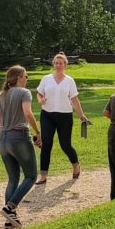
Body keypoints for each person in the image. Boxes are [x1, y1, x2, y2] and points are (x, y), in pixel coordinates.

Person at [0, 66, 42, 229]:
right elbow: (28, 113)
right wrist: (38, 132)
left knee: (13, 179)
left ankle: (10, 220)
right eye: (26, 76)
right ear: (19, 77)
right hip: (19, 136)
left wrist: (1, 138)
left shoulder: (2, 95)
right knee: (31, 176)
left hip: (3, 140)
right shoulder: (24, 92)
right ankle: (10, 207)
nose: (27, 79)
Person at [35, 52, 89, 184]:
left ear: (65, 65)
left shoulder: (69, 81)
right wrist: (41, 100)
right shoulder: (46, 79)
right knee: (46, 144)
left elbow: (74, 99)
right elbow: (39, 94)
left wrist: (81, 115)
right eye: (56, 63)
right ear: (53, 64)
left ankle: (75, 164)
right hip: (47, 115)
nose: (58, 65)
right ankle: (43, 174)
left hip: (65, 116)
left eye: (61, 63)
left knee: (65, 144)